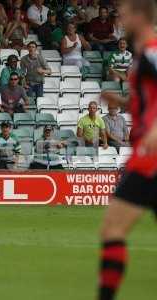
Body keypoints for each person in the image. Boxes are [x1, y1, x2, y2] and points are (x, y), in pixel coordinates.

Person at [95, 1, 157, 299]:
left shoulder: (152, 52)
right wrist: (119, 103)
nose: (119, 18)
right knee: (112, 230)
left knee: (112, 229)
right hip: (146, 154)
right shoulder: (141, 56)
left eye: (124, 13)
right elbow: (145, 105)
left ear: (139, 15)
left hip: (150, 157)